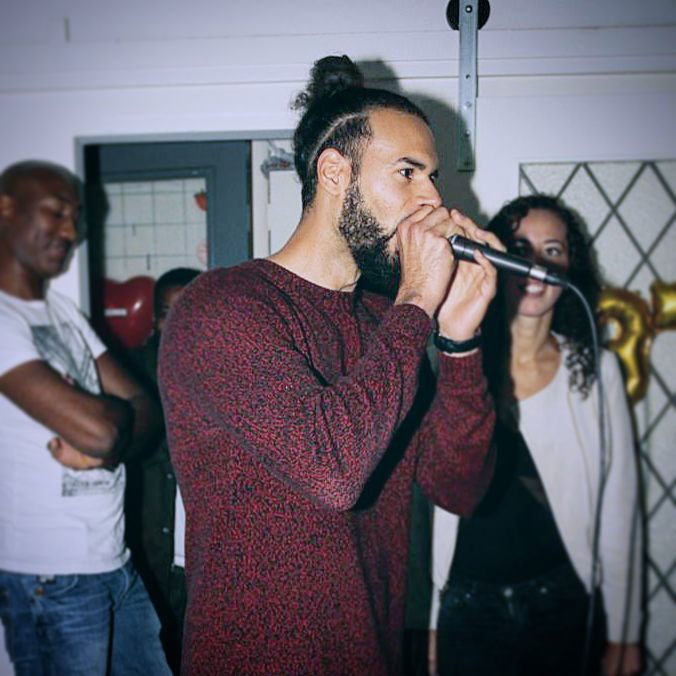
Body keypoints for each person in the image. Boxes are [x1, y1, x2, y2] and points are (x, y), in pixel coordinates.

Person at [158, 54, 501, 675]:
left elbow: (460, 487)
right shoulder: (222, 306)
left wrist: (459, 340)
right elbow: (332, 472)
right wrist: (417, 302)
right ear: (335, 172)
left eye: (432, 177)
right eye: (408, 173)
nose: (432, 198)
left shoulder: (384, 324)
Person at [429, 194, 643, 676]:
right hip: (469, 608)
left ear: (570, 270)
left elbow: (618, 506)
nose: (536, 265)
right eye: (521, 249)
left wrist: (626, 632)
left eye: (553, 251)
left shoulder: (597, 371)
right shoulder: (460, 362)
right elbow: (436, 506)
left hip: (561, 607)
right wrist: (435, 622)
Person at [0, 160, 171, 675]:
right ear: (5, 209)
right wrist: (111, 428)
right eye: (56, 213)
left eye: (75, 218)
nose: (71, 232)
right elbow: (105, 429)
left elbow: (148, 413)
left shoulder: (61, 312)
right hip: (50, 579)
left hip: (114, 564)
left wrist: (107, 438)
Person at [125, 266, 201, 674]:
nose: (175, 323)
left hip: (205, 567)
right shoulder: (131, 375)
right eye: (166, 312)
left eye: (186, 310)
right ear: (153, 318)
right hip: (148, 557)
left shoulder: (226, 372)